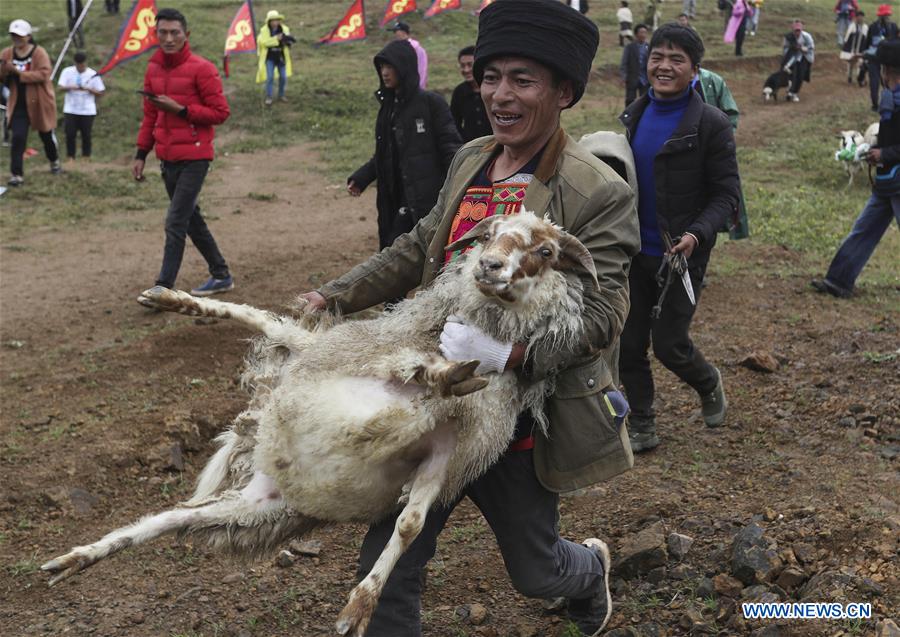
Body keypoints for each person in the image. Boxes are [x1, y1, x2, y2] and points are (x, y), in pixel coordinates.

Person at [300, 1, 640, 634]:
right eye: (491, 77)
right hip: (434, 394)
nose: (499, 95)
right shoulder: (472, 158)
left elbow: (603, 314)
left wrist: (513, 357)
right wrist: (334, 295)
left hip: (513, 417)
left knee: (536, 571)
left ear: (564, 92)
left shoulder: (596, 192)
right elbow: (420, 243)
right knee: (389, 559)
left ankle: (588, 572)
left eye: (522, 80)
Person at [618, 23, 740, 453]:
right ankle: (643, 424)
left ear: (694, 70)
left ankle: (708, 382)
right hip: (634, 252)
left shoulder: (711, 124)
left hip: (680, 256)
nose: (664, 66)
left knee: (669, 344)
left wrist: (695, 233)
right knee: (628, 344)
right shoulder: (633, 115)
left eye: (676, 59)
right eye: (657, 56)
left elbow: (727, 195)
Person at [132, 8, 234, 299]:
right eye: (162, 32)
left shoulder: (203, 68)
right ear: (155, 35)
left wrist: (181, 110)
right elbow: (150, 117)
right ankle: (221, 274)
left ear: (185, 35)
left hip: (196, 157)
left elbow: (221, 113)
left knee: (175, 221)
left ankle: (163, 288)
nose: (168, 38)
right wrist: (141, 154)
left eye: (174, 32)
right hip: (167, 158)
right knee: (190, 219)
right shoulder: (152, 69)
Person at [348, 40, 461, 253]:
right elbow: (384, 154)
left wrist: (460, 188)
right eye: (381, 67)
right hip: (393, 198)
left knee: (426, 256)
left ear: (405, 66)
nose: (385, 72)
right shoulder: (387, 110)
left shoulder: (431, 103)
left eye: (390, 66)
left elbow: (451, 149)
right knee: (392, 254)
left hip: (426, 200)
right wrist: (362, 178)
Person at [813, 40, 900, 299]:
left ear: (887, 70)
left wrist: (884, 153)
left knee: (864, 228)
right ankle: (839, 280)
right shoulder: (890, 97)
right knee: (864, 229)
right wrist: (874, 153)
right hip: (887, 179)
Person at [0, 19, 61, 187]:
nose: (17, 39)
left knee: (46, 135)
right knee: (18, 137)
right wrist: (4, 71)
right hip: (18, 102)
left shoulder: (39, 53)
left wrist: (18, 73)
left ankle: (54, 161)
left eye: (20, 36)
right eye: (14, 36)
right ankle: (16, 174)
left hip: (38, 102)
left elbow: (44, 74)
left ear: (28, 36)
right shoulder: (7, 53)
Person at [693, 67, 749, 239]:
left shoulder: (712, 81)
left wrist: (721, 139)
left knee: (718, 194)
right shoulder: (668, 82)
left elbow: (730, 113)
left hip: (709, 151)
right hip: (681, 153)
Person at [58, 51, 104, 162]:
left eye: (82, 64)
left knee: (86, 134)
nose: (81, 67)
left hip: (87, 110)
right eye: (78, 65)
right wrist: (71, 87)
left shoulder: (93, 74)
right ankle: (70, 157)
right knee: (70, 133)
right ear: (75, 63)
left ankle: (86, 157)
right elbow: (60, 87)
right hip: (71, 108)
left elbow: (101, 92)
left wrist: (89, 89)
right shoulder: (67, 72)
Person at [450, 45, 492, 142]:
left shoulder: (493, 89)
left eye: (470, 65)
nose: (466, 70)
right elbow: (454, 122)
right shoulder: (459, 92)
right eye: (462, 66)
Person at [256, 9, 294, 106]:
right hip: (270, 58)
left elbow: (288, 40)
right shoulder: (264, 31)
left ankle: (281, 95)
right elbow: (264, 42)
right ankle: (269, 96)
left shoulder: (285, 29)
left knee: (283, 77)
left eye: (277, 20)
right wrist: (276, 39)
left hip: (281, 57)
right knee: (270, 77)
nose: (275, 22)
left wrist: (287, 41)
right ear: (269, 21)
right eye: (273, 20)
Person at [865, 5, 899, 111]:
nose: (886, 17)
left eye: (887, 15)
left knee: (882, 79)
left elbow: (867, 43)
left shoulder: (890, 27)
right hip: (879, 56)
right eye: (885, 15)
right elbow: (868, 42)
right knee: (877, 80)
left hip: (880, 56)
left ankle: (882, 103)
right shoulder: (889, 27)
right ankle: (879, 103)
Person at [782, 19, 815, 102]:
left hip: (804, 57)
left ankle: (795, 92)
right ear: (793, 30)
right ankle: (790, 90)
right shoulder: (788, 37)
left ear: (801, 30)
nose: (797, 32)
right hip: (792, 58)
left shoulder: (807, 37)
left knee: (800, 75)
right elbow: (785, 48)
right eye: (795, 30)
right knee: (792, 74)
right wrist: (791, 52)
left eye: (799, 30)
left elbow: (811, 47)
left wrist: (804, 49)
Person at [391, 21, 427, 90]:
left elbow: (422, 69)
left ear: (404, 32)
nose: (395, 34)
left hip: (414, 88)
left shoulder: (416, 48)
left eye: (396, 31)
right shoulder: (398, 48)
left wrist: (419, 87)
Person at [621, 24, 650, 107]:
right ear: (636, 34)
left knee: (645, 100)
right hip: (632, 77)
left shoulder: (649, 47)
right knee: (630, 99)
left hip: (645, 78)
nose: (643, 35)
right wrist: (624, 77)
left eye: (645, 32)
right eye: (641, 32)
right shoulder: (630, 47)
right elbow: (624, 62)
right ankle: (628, 117)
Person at [842, 10, 868, 86]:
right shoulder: (852, 26)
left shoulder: (865, 27)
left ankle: (859, 78)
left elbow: (866, 38)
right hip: (852, 48)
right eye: (859, 17)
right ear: (856, 18)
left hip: (861, 48)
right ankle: (849, 76)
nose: (860, 18)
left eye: (862, 17)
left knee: (860, 63)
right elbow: (847, 37)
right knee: (851, 63)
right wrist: (846, 47)